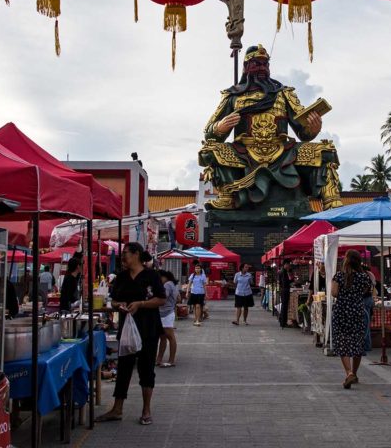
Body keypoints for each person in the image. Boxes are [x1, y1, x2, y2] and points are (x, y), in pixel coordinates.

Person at [198, 44, 344, 211]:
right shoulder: (233, 96)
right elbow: (209, 132)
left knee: (326, 151)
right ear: (246, 67)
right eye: (256, 63)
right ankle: (227, 196)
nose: (262, 68)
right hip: (244, 151)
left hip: (282, 150)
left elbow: (302, 132)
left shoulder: (284, 93)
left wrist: (313, 128)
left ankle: (331, 200)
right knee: (209, 151)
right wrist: (220, 127)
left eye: (265, 64)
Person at [96, 243, 166, 426]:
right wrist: (118, 305)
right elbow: (113, 301)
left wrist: (141, 304)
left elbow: (161, 298)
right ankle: (117, 409)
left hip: (148, 329)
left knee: (146, 368)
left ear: (136, 254)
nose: (123, 257)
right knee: (124, 368)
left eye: (125, 253)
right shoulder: (121, 277)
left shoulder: (151, 275)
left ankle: (146, 410)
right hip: (127, 329)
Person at [331, 250, 374, 389]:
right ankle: (354, 373)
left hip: (341, 311)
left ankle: (349, 373)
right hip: (357, 311)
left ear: (346, 261)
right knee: (357, 342)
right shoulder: (364, 277)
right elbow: (368, 291)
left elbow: (334, 293)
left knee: (342, 341)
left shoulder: (338, 276)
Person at [156, 270, 179, 368]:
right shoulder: (172, 284)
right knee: (163, 337)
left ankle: (171, 360)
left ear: (165, 277)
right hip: (165, 313)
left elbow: (163, 297)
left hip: (166, 313)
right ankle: (159, 359)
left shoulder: (167, 285)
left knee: (170, 337)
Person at [279, 261, 294, 328]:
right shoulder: (283, 272)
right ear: (285, 264)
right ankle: (283, 322)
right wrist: (291, 281)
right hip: (285, 290)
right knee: (284, 306)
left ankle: (282, 321)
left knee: (284, 306)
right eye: (288, 264)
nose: (289, 266)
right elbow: (285, 282)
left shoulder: (283, 271)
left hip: (284, 290)